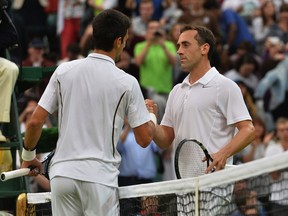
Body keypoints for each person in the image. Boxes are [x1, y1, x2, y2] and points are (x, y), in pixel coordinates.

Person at [20, 9, 156, 216]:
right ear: (118, 41)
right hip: (99, 179)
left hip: (62, 177)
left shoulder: (63, 70)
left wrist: (28, 156)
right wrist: (151, 116)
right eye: (126, 40)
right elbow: (145, 139)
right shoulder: (127, 82)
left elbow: (34, 122)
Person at [146, 25, 255, 175]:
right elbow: (165, 140)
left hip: (214, 185)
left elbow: (248, 130)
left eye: (185, 45)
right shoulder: (176, 91)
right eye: (178, 46)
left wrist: (224, 153)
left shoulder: (225, 86)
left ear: (204, 49)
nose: (179, 51)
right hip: (183, 186)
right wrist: (152, 125)